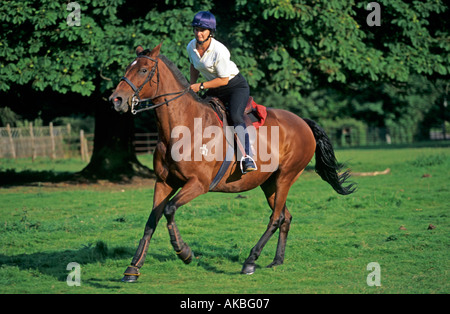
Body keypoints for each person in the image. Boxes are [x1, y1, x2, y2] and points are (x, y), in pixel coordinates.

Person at [187, 11, 257, 173]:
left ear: (211, 32)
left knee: (236, 116)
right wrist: (192, 85)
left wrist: (201, 86)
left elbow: (224, 80)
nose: (199, 33)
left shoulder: (220, 50)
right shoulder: (191, 46)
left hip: (234, 87)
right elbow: (193, 65)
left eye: (203, 30)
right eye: (197, 29)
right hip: (214, 87)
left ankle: (247, 156)